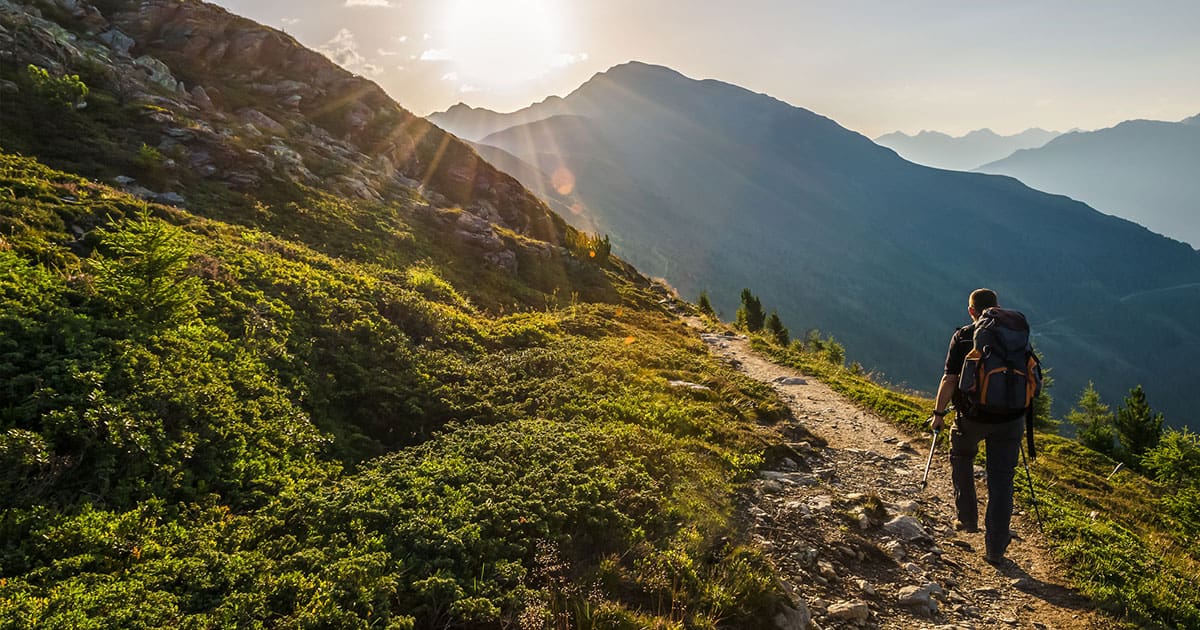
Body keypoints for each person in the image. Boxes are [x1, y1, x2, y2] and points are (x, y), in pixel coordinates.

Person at [929, 288, 1025, 565]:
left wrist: (938, 413)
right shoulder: (1014, 335)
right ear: (998, 307)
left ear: (972, 311)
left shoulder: (963, 336)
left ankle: (967, 518)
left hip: (972, 416)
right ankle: (995, 548)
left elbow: (949, 379)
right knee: (1002, 479)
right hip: (1011, 418)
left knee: (961, 455)